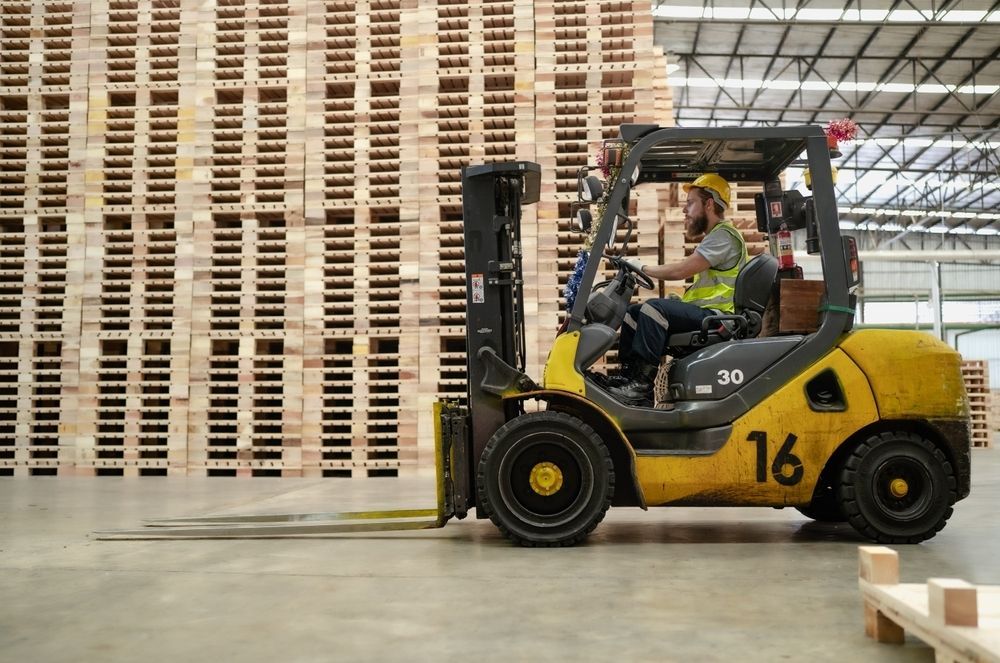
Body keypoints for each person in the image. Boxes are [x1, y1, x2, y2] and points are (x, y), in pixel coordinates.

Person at [609, 173, 748, 407]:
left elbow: (680, 271)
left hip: (719, 317)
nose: (685, 210)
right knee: (634, 313)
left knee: (654, 310)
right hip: (707, 312)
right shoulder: (715, 237)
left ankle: (642, 385)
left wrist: (642, 267)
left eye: (690, 203)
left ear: (709, 204)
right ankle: (629, 379)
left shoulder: (724, 236)